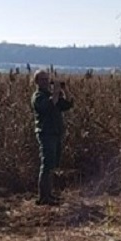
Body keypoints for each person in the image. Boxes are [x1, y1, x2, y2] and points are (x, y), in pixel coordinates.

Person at [30, 69, 73, 205]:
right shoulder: (38, 97)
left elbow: (67, 104)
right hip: (46, 133)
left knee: (52, 165)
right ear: (36, 82)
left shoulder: (51, 95)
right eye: (42, 80)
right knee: (47, 164)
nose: (46, 82)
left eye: (47, 79)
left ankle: (49, 194)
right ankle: (43, 197)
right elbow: (48, 106)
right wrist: (55, 92)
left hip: (55, 133)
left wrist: (65, 90)